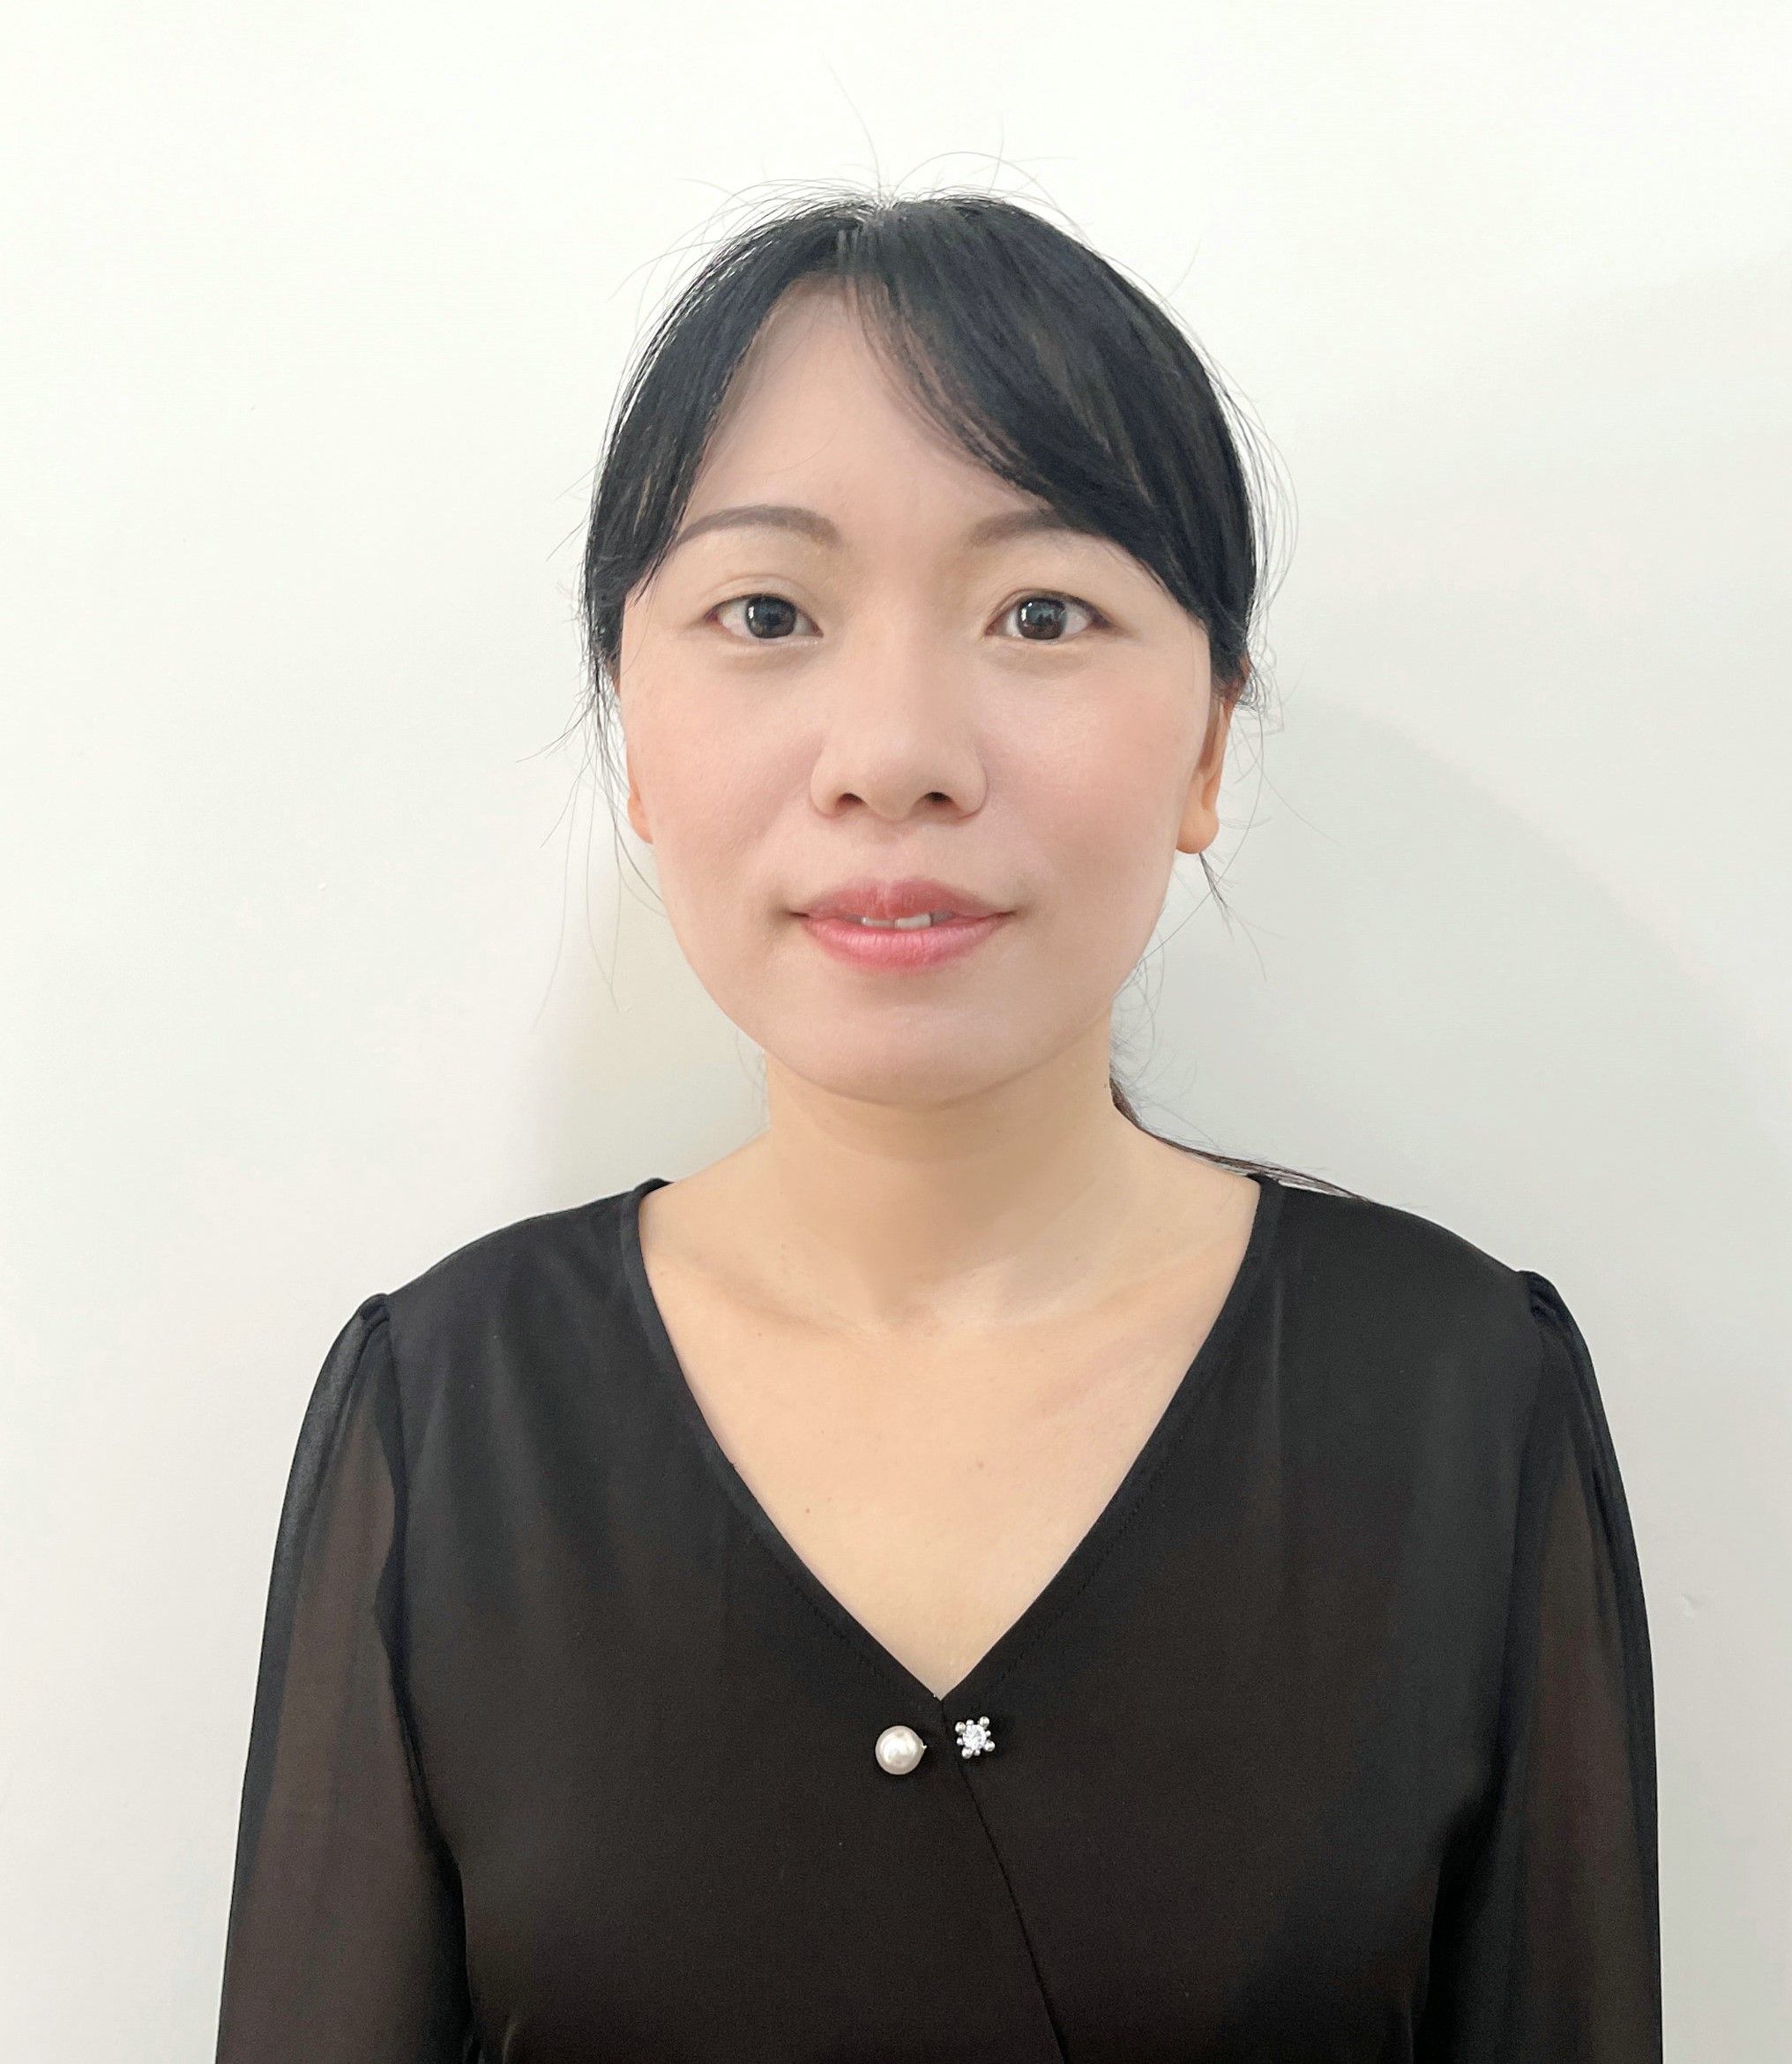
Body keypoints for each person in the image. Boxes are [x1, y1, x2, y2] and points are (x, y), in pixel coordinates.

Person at [213, 190, 1661, 2061]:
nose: (894, 752)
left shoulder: (1459, 1395)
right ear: (635, 734)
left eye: (1040, 612)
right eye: (766, 614)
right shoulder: (447, 1414)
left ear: (1208, 745)